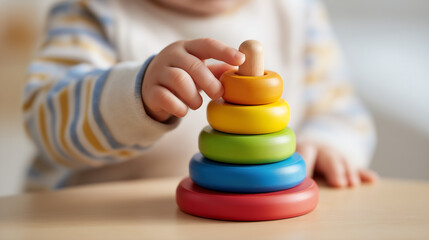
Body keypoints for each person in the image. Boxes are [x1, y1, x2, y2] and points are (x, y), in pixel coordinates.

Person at [23, 0, 378, 191]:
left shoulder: (297, 11)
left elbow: (341, 110)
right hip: (99, 224)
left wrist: (327, 144)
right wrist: (136, 94)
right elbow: (46, 120)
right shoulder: (94, 11)